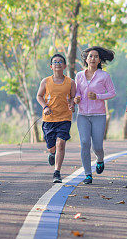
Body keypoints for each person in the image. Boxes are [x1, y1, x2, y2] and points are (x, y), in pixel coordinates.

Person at [72, 46, 116, 184]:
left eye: (96, 56)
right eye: (90, 56)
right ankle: (88, 174)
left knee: (97, 146)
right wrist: (76, 98)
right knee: (85, 143)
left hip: (99, 115)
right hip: (83, 115)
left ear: (99, 60)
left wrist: (98, 96)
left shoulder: (104, 76)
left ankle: (100, 159)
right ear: (86, 59)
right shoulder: (79, 75)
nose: (93, 58)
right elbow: (77, 92)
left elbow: (112, 93)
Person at [36, 53, 76, 183]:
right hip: (49, 119)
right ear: (51, 66)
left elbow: (72, 98)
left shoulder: (70, 82)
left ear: (64, 66)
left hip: (64, 118)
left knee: (61, 144)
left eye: (60, 62)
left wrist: (72, 104)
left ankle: (57, 172)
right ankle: (52, 153)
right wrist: (45, 107)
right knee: (51, 147)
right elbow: (39, 96)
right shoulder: (46, 81)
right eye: (55, 62)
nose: (57, 64)